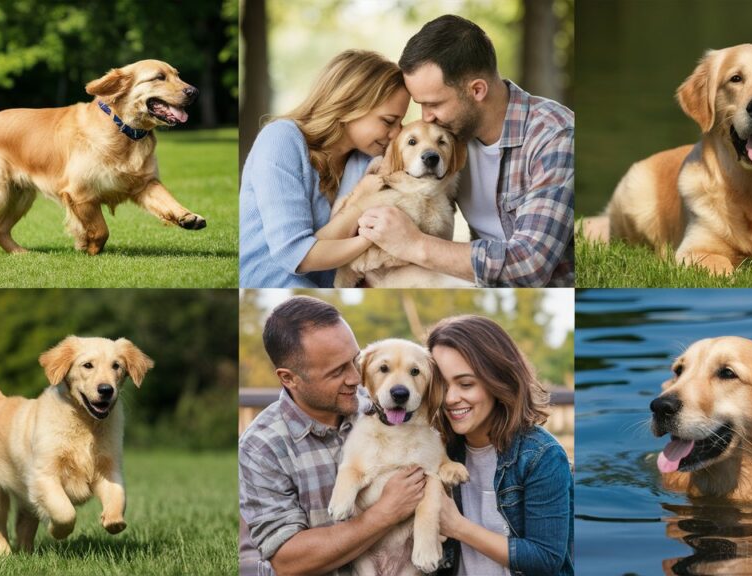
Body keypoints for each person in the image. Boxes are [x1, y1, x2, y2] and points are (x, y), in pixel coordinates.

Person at [357, 15, 575, 288]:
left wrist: (415, 245)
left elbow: (530, 265)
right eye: (421, 105)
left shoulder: (554, 135)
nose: (427, 117)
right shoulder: (452, 140)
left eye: (434, 104)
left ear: (477, 90)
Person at [239, 296, 427, 575]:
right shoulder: (261, 446)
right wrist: (384, 513)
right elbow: (289, 560)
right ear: (289, 378)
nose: (355, 378)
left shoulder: (380, 408)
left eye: (355, 360)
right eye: (337, 371)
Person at [239, 51, 410, 287]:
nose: (397, 133)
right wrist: (367, 221)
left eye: (400, 123)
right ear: (350, 105)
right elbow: (296, 255)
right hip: (269, 283)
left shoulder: (366, 161)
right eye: (389, 121)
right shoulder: (281, 139)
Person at [427, 315, 575, 575]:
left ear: (498, 380)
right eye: (441, 385)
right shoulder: (436, 450)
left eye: (466, 384)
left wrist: (457, 527)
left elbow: (546, 559)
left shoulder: (542, 456)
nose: (450, 398)